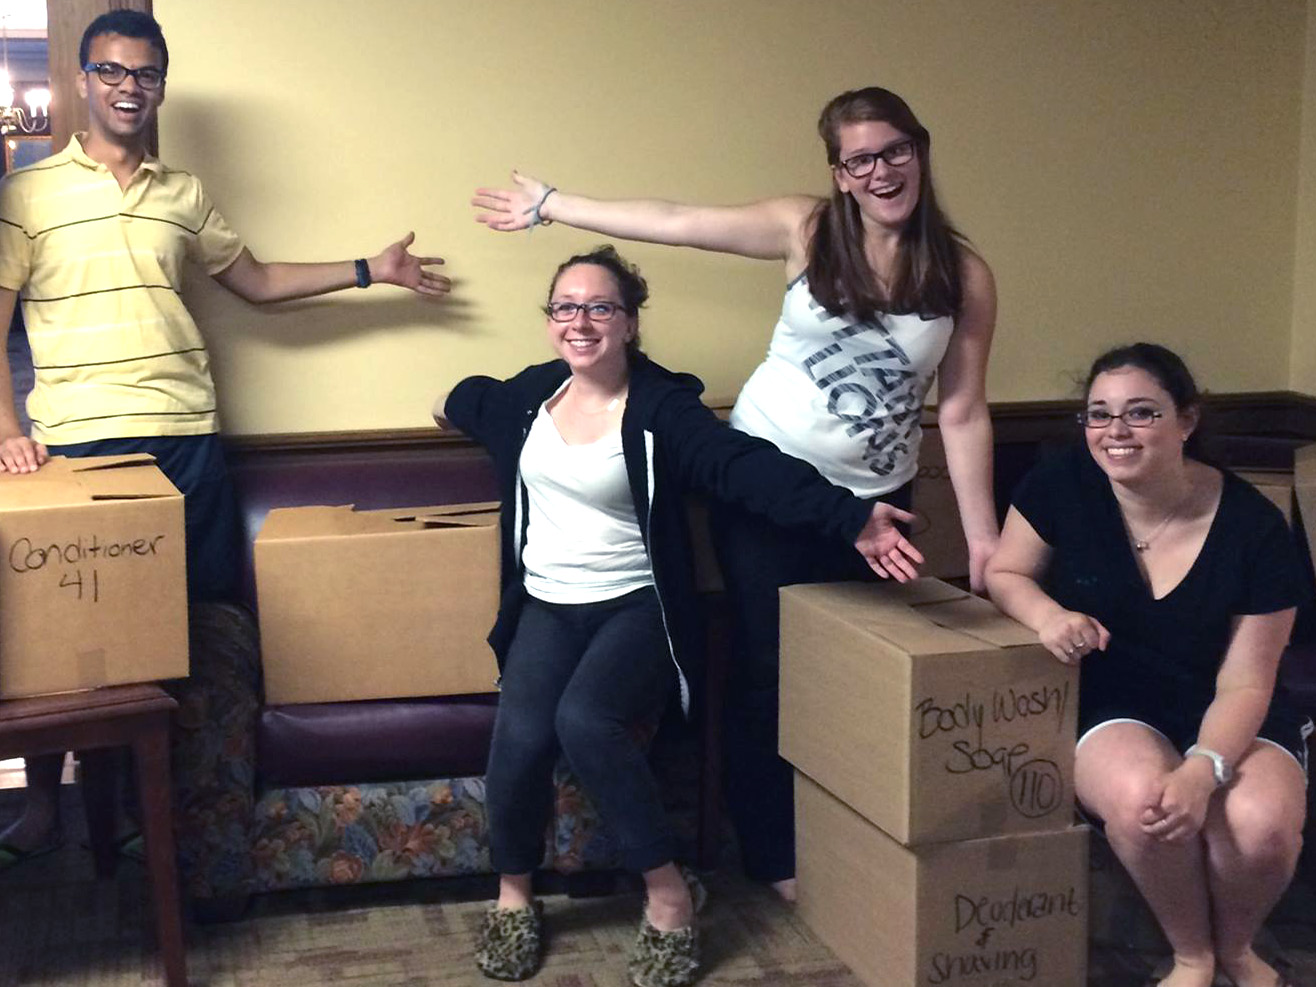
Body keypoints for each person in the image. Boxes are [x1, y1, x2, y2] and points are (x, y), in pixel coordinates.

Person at [471, 85, 998, 896]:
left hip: (883, 497)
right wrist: (552, 205)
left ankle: (863, 835)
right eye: (860, 158)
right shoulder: (808, 228)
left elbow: (960, 410)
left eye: (895, 150)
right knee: (771, 673)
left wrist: (984, 539)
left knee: (866, 675)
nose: (881, 170)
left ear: (920, 150)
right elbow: (677, 219)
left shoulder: (963, 273)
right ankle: (776, 856)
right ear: (839, 172)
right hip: (763, 489)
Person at [0, 9, 449, 871]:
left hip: (189, 437)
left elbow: (259, 281)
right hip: (81, 447)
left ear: (161, 84)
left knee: (186, 635)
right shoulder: (26, 194)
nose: (130, 88)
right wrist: (9, 433)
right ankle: (51, 814)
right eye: (113, 72)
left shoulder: (184, 193)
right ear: (83, 81)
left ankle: (162, 817)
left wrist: (370, 270)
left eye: (146, 74)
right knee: (72, 643)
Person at [438, 245, 920, 986]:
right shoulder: (527, 398)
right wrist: (444, 404)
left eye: (601, 306)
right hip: (547, 603)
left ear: (630, 321)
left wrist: (848, 517)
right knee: (521, 729)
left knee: (584, 719)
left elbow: (744, 464)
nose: (582, 320)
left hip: (638, 605)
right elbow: (467, 396)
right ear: (549, 322)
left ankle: (668, 891)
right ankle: (513, 894)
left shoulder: (662, 408)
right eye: (566, 306)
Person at [985, 343, 1309, 987]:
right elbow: (1006, 571)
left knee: (1258, 828)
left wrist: (1205, 767)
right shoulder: (1060, 484)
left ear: (1185, 421)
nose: (1115, 432)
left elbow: (1246, 679)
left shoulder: (1255, 526)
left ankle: (1238, 947)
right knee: (1143, 806)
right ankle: (1191, 953)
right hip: (1116, 700)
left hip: (1232, 702)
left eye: (1141, 413)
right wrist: (1050, 617)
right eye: (1098, 415)